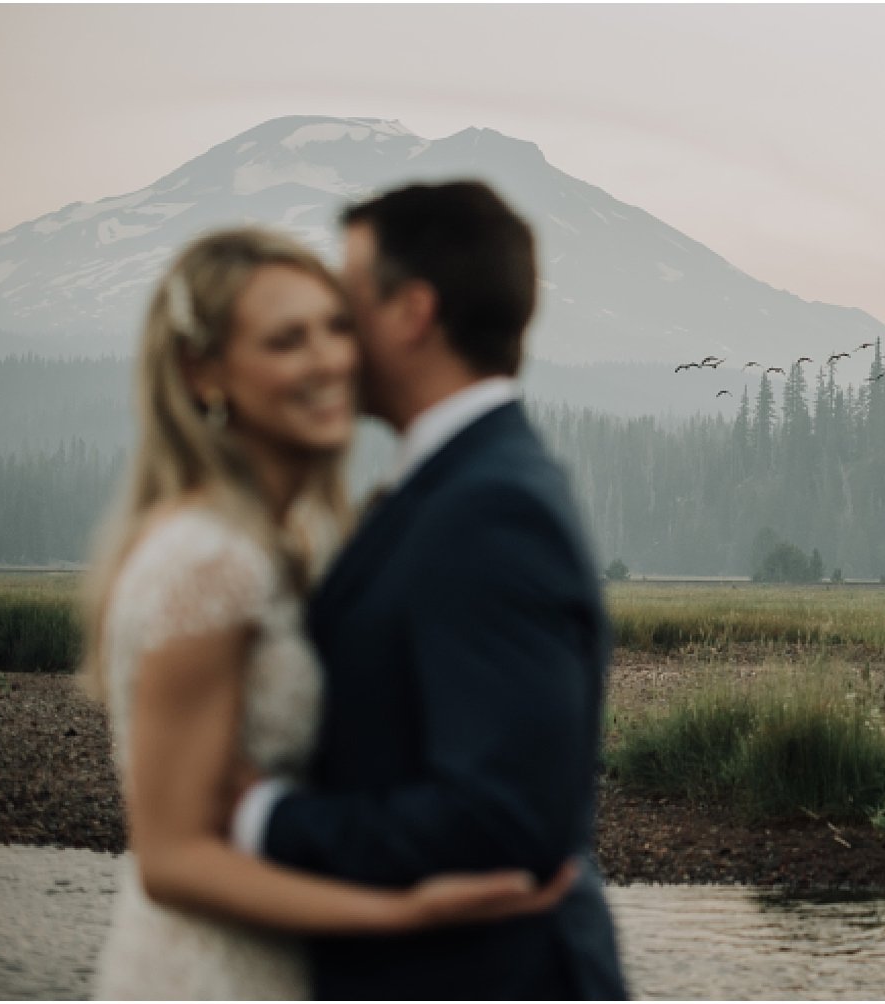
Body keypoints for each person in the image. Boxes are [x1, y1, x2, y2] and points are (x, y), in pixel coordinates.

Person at [83, 229, 579, 1000]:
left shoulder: (298, 540)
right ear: (201, 372)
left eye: (336, 328)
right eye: (287, 341)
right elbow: (172, 860)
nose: (329, 361)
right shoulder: (206, 558)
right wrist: (404, 915)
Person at [230, 181, 628, 999]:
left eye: (346, 306)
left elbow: (503, 819)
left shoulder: (491, 508)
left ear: (412, 313)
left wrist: (264, 818)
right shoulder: (454, 485)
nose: (333, 340)